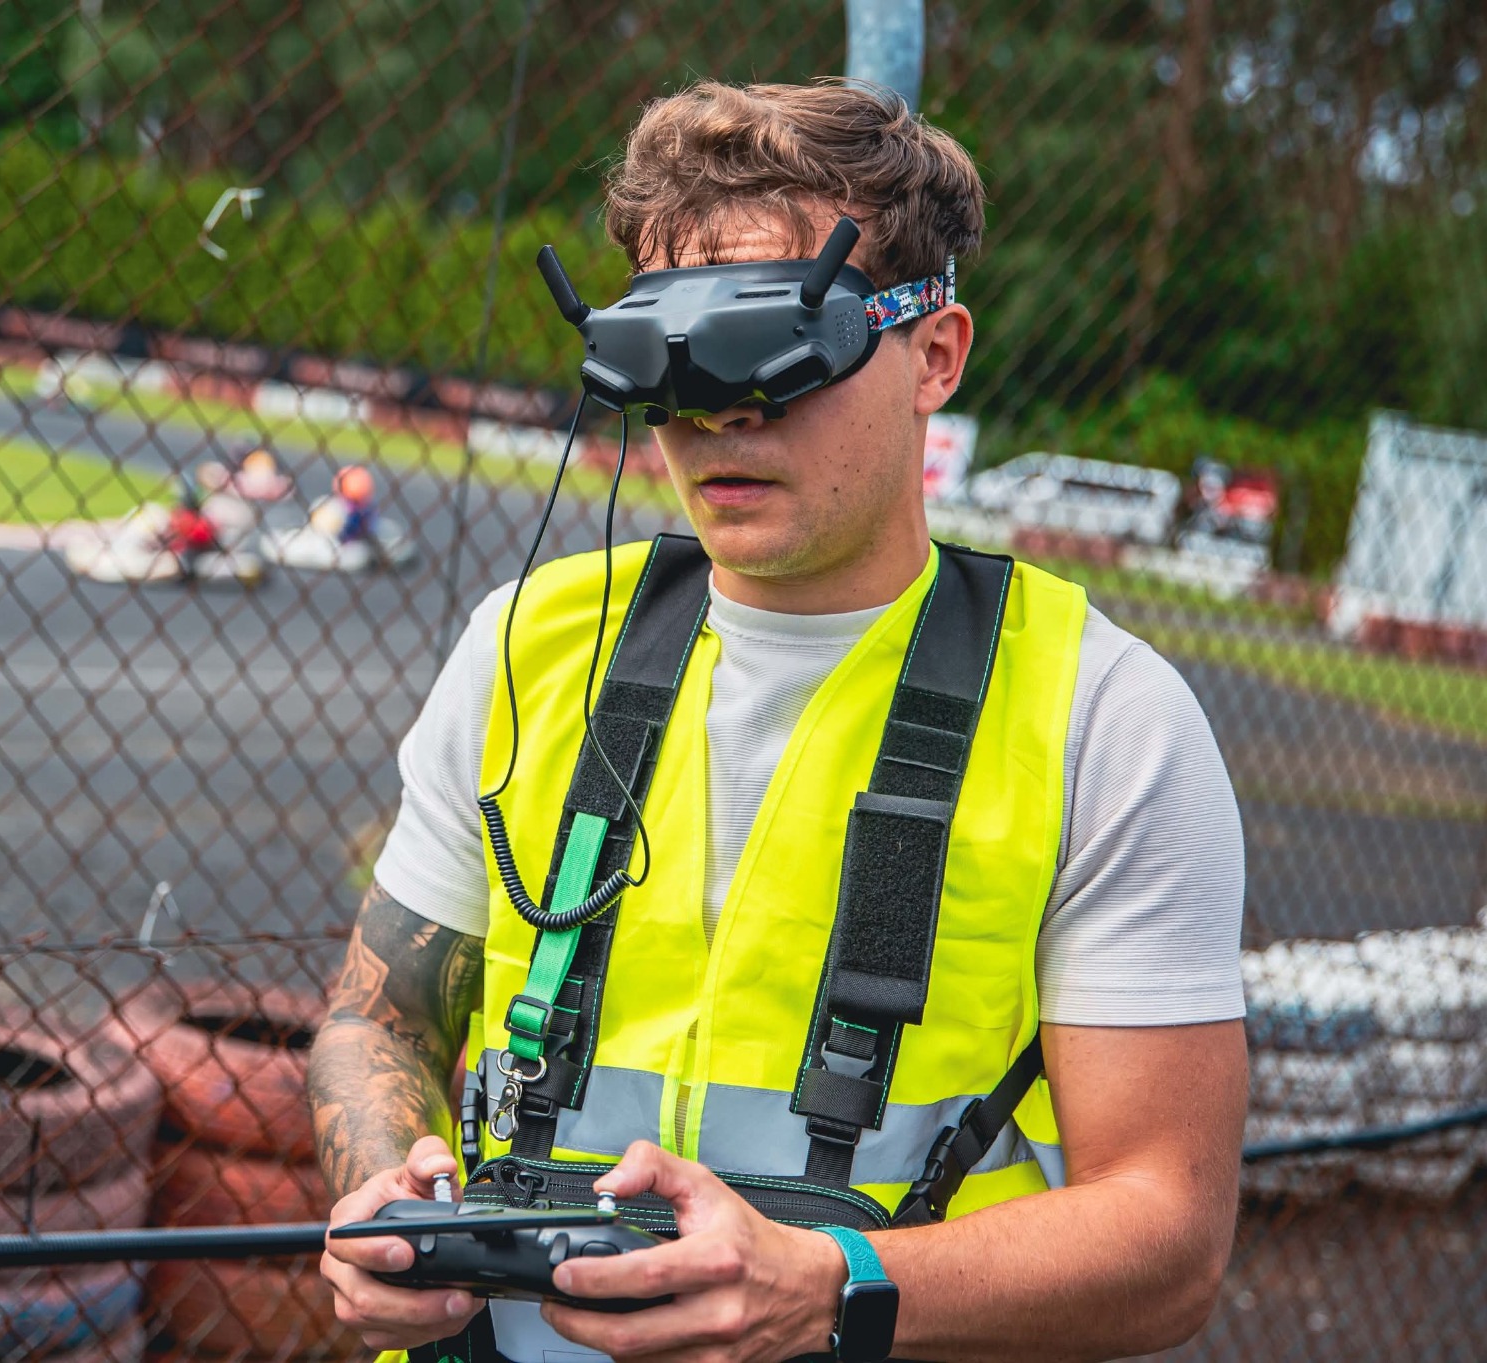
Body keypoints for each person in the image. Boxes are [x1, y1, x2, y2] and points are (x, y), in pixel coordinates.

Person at [309, 80, 1246, 1363]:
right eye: (669, 360)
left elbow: (1168, 1239)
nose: (719, 416)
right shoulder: (528, 644)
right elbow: (379, 1018)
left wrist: (829, 1284)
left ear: (934, 354)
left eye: (776, 352)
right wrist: (384, 1193)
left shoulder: (1098, 715)